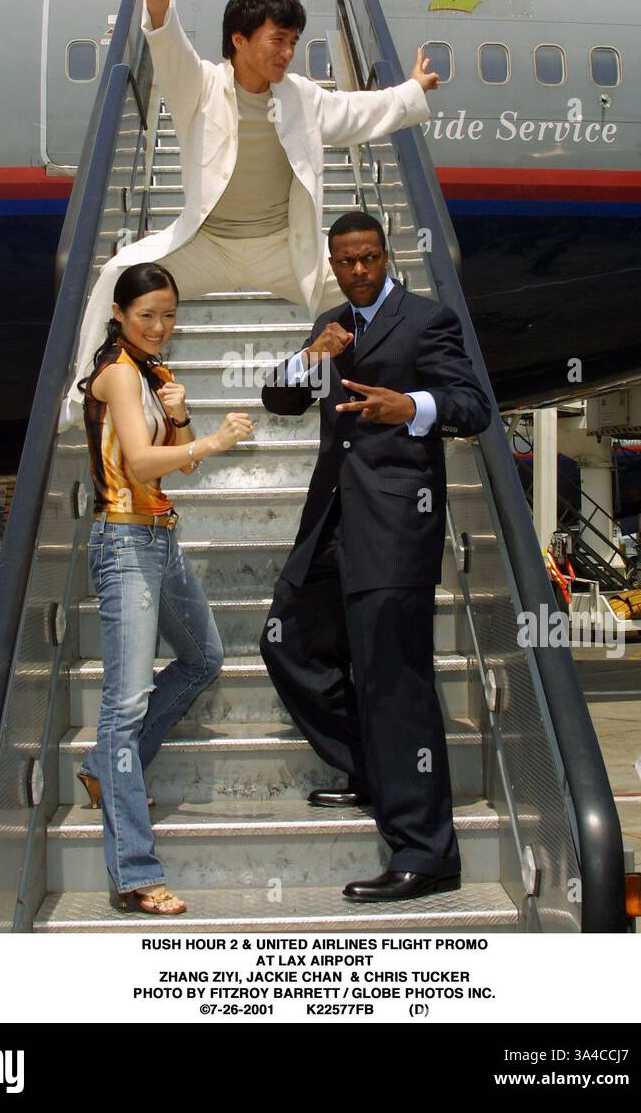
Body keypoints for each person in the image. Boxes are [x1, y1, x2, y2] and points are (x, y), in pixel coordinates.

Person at [62, 0, 439, 423]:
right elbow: (169, 52)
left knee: (380, 296)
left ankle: (413, 406)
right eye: (277, 40)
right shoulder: (200, 87)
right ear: (239, 39)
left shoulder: (303, 97)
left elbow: (358, 114)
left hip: (281, 248)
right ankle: (83, 396)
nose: (287, 53)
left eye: (293, 42)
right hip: (207, 244)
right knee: (116, 275)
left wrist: (411, 90)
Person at [259, 212, 492, 902]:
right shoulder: (331, 324)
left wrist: (411, 406)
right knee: (287, 642)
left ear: (386, 256)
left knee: (395, 680)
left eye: (368, 259)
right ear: (333, 264)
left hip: (395, 524)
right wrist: (312, 358)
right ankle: (372, 767)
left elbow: (473, 405)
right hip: (332, 520)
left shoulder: (428, 321)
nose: (358, 271)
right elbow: (278, 401)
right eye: (346, 262)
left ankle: (426, 852)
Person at [79, 261, 253, 915]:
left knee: (203, 658)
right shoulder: (121, 375)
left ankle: (104, 767)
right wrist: (209, 440)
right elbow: (145, 460)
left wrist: (181, 416)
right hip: (123, 540)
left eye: (168, 314)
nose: (159, 326)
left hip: (158, 534)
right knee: (125, 706)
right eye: (146, 314)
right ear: (120, 314)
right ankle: (133, 873)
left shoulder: (154, 374)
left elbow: (166, 450)